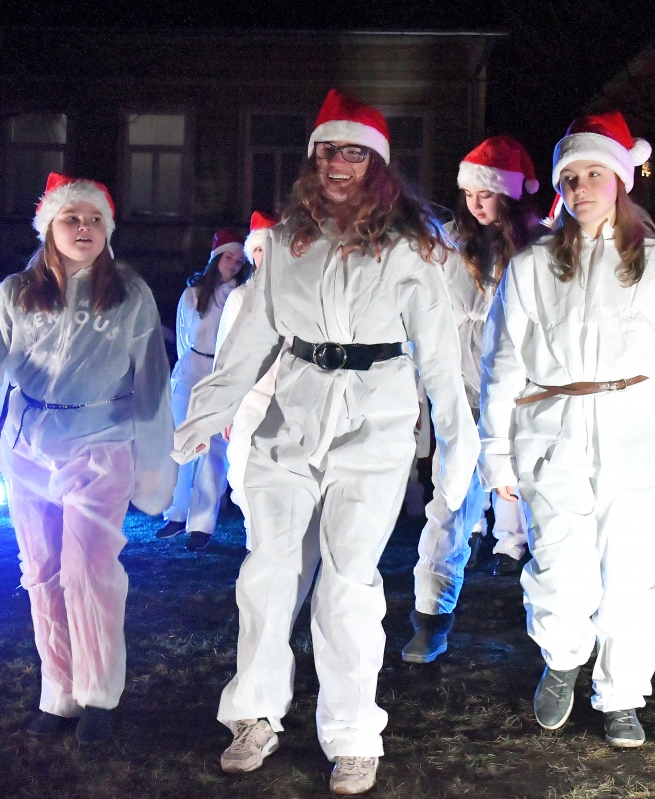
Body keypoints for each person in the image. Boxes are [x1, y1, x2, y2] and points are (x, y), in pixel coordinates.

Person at [173, 89, 479, 795]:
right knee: (268, 571)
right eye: (327, 151)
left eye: (353, 153)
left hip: (374, 428)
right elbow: (247, 345)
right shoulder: (288, 243)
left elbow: (439, 359)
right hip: (290, 421)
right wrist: (202, 415)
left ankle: (352, 733)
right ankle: (254, 713)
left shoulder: (411, 250)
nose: (338, 163)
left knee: (346, 581)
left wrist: (456, 449)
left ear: (378, 165)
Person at [479, 111, 655, 748]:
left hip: (636, 429)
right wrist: (496, 454)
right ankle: (562, 656)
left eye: (593, 174)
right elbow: (503, 362)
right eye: (571, 177)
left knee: (631, 568)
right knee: (560, 558)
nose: (581, 188)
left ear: (619, 180)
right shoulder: (533, 266)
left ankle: (622, 692)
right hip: (553, 427)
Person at [0, 172, 176, 745]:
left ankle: (99, 696)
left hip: (101, 442)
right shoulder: (17, 293)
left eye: (95, 219)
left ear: (109, 230)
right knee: (42, 570)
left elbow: (152, 379)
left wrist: (154, 459)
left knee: (88, 569)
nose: (84, 228)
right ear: (49, 226)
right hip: (26, 449)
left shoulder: (130, 294)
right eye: (72, 218)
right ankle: (60, 693)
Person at [402, 135, 539, 664]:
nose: (476, 204)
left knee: (546, 511)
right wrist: (421, 392)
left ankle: (561, 636)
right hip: (462, 402)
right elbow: (424, 323)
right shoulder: (449, 248)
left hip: (525, 405)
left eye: (487, 194)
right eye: (469, 194)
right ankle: (430, 617)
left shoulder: (537, 249)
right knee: (450, 505)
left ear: (509, 195)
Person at [156, 229, 249, 550]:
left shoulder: (242, 296)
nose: (233, 264)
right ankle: (177, 512)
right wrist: (188, 369)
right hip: (190, 373)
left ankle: (202, 523)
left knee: (215, 451)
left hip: (222, 376)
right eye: (228, 257)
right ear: (215, 258)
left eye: (239, 260)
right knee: (183, 441)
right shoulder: (193, 294)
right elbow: (183, 336)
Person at [216, 211, 279, 542]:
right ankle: (257, 544)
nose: (263, 256)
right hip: (250, 401)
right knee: (242, 477)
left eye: (269, 248)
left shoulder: (303, 298)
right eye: (257, 250)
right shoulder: (239, 298)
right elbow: (225, 355)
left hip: (292, 404)